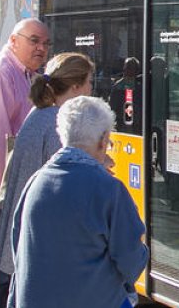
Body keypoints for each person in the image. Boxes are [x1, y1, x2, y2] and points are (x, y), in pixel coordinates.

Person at [11, 96, 148, 308]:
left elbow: (18, 249)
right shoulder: (109, 189)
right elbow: (131, 260)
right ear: (103, 140)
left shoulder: (35, 183)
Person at [0, 52, 95, 303]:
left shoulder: (39, 113)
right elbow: (64, 182)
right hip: (43, 243)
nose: (92, 88)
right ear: (75, 87)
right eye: (90, 82)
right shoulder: (58, 123)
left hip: (27, 235)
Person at [0, 18, 51, 308]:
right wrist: (4, 195)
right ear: (13, 41)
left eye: (45, 43)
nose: (41, 48)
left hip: (6, 189)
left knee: (6, 272)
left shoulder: (26, 75)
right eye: (34, 40)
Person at [109, 57, 142, 132]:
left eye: (131, 68)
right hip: (122, 124)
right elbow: (112, 107)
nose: (127, 70)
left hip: (138, 125)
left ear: (137, 71)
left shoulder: (140, 86)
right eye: (127, 67)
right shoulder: (118, 87)